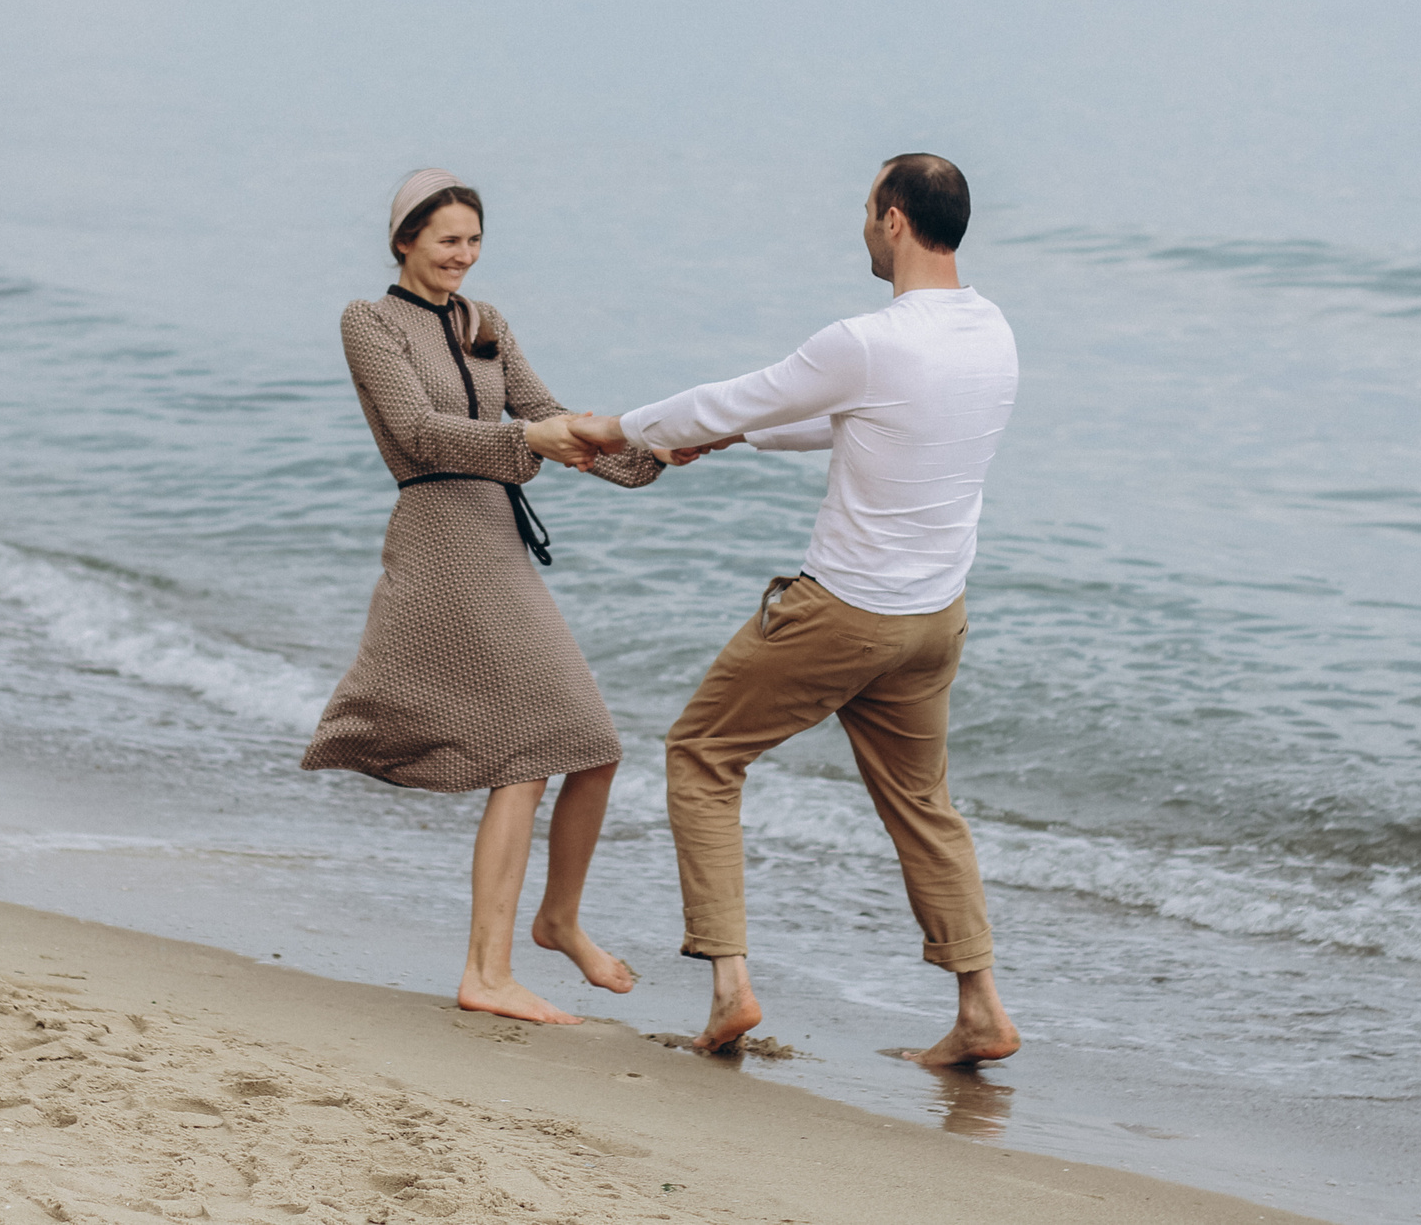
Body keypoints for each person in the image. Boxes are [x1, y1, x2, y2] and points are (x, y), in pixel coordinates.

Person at [570, 153, 1023, 1066]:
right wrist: (725, 435)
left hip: (846, 614)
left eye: (866, 208)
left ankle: (732, 988)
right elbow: (841, 415)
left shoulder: (868, 339)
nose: (860, 223)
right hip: (934, 622)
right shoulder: (991, 331)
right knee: (923, 802)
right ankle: (981, 1007)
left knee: (702, 753)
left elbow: (752, 392)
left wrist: (628, 428)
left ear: (894, 220)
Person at [304, 167, 699, 1025]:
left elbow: (554, 416)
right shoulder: (369, 323)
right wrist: (530, 437)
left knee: (590, 744)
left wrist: (656, 450)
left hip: (497, 536)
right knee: (530, 750)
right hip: (440, 537)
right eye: (447, 239)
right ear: (404, 239)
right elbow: (417, 431)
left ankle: (556, 921)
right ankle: (488, 968)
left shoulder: (490, 325)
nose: (464, 256)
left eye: (474, 240)